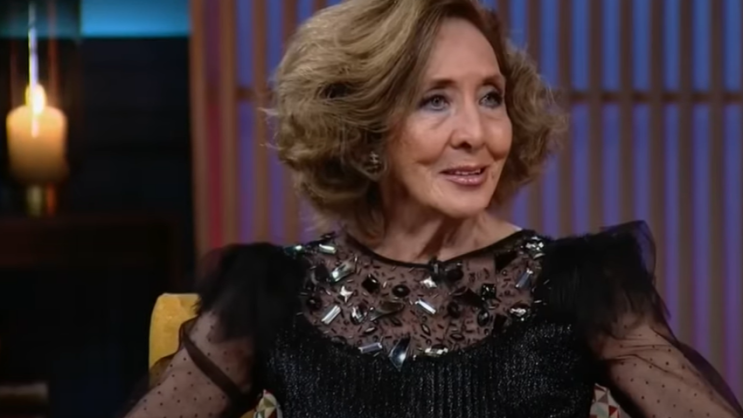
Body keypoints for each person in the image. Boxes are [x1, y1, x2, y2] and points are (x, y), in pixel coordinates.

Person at [119, 0, 743, 417]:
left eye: (490, 97)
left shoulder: (583, 286)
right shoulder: (273, 293)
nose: (476, 132)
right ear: (365, 131)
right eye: (435, 101)